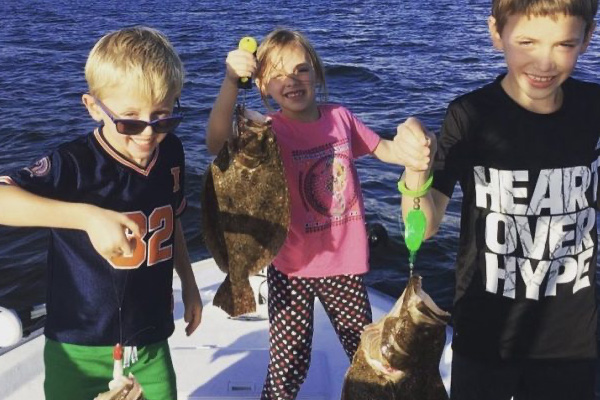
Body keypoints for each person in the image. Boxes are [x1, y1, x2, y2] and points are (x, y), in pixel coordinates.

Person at [396, 0, 599, 399]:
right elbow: (422, 229)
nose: (544, 62)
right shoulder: (469, 114)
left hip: (572, 340)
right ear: (496, 33)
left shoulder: (594, 107)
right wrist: (414, 168)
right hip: (486, 335)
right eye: (526, 41)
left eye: (564, 44)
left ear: (587, 39)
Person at [0, 26, 202, 400]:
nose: (147, 133)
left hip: (151, 337)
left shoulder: (171, 151)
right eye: (129, 120)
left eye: (164, 117)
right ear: (94, 108)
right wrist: (86, 217)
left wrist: (189, 283)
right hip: (77, 346)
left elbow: (171, 220)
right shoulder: (72, 164)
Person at [206, 28, 406, 399]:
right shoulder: (267, 131)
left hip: (344, 265)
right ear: (262, 85)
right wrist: (232, 81)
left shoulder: (341, 119)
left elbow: (387, 150)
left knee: (365, 357)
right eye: (277, 74)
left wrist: (413, 146)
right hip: (289, 267)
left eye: (300, 70)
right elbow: (216, 141)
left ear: (316, 72)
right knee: (287, 366)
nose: (291, 81)